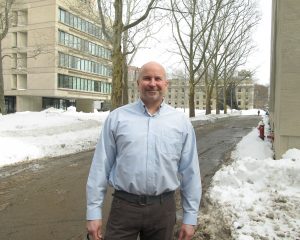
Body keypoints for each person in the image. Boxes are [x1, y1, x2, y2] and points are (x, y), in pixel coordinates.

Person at [86, 61, 202, 240]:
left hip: (163, 211)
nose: (152, 83)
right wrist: (93, 212)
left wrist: (190, 217)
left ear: (166, 84)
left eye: (158, 78)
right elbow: (100, 166)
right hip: (124, 208)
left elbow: (190, 172)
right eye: (147, 78)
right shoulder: (117, 118)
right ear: (138, 83)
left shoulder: (181, 122)